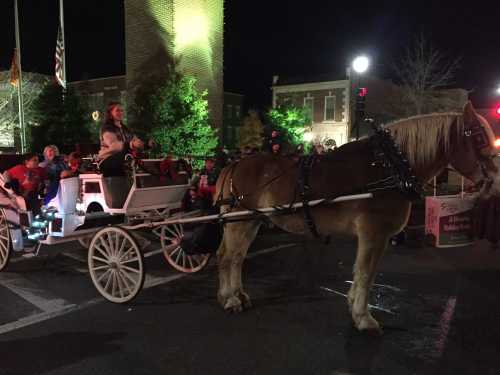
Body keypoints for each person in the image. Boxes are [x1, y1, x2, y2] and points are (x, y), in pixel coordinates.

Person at [98, 102, 144, 177]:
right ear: (110, 113)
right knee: (125, 160)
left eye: (122, 110)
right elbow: (114, 146)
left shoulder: (125, 129)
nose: (121, 112)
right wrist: (130, 144)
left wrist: (145, 144)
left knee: (137, 159)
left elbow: (135, 141)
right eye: (118, 110)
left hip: (123, 159)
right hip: (108, 160)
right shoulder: (107, 128)